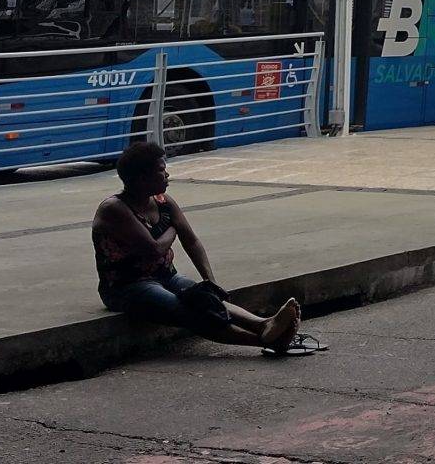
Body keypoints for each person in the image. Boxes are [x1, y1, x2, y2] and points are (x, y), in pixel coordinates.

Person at [93, 141, 311, 352]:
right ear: (141, 178)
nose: (167, 175)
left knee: (204, 297)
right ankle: (264, 341)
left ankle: (263, 324)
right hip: (127, 287)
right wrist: (174, 228)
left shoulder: (163, 201)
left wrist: (209, 280)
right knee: (185, 309)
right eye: (161, 170)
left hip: (165, 276)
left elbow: (193, 241)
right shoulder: (114, 209)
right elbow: (154, 249)